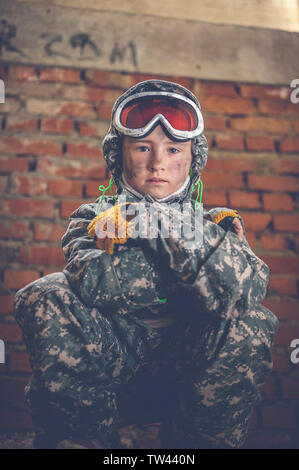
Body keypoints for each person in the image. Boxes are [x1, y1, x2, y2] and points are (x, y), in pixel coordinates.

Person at [14, 79, 279, 450]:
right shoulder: (94, 218)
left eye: (173, 149)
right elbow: (98, 283)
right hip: (107, 362)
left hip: (192, 371)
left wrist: (157, 222)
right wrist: (193, 275)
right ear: (118, 154)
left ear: (193, 157)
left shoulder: (217, 223)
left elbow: (241, 292)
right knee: (47, 292)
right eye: (143, 147)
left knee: (252, 320)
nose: (158, 163)